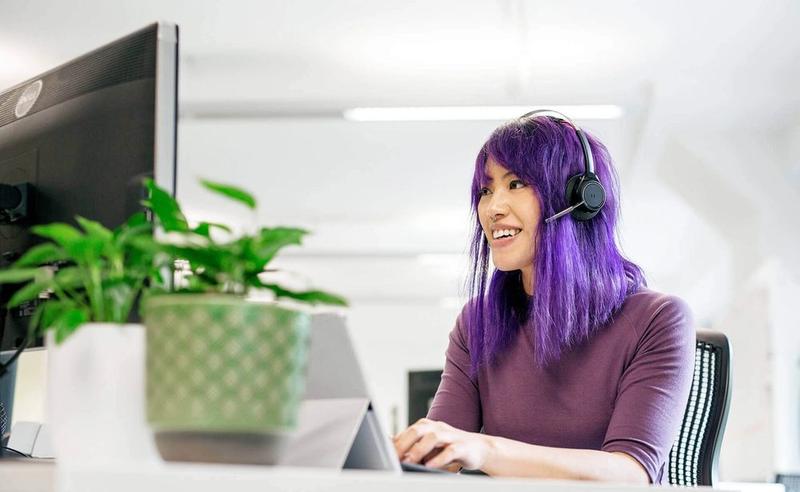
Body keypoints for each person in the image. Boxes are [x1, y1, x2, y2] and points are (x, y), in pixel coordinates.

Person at [393, 111, 695, 484]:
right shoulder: (476, 324)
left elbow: (631, 471)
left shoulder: (657, 319)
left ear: (581, 199)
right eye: (486, 190)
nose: (493, 208)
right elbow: (439, 454)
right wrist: (396, 453)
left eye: (516, 183)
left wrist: (485, 449)